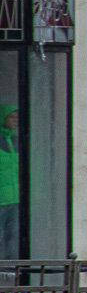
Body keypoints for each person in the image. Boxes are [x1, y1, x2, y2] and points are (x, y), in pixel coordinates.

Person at [0, 104, 17, 259]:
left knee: (13, 240)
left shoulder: (17, 141)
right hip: (1, 201)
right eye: (11, 116)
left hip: (16, 200)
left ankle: (12, 276)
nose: (15, 120)